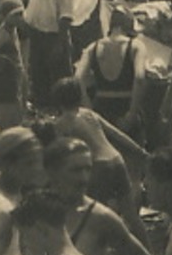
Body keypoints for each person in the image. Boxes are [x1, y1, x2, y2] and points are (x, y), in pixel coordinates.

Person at [42, 137, 157, 255]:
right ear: (52, 172)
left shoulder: (100, 218)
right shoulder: (37, 208)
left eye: (88, 169)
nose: (84, 178)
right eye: (75, 170)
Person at [46, 78, 146, 240]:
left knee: (92, 214)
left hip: (98, 166)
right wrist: (139, 151)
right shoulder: (90, 114)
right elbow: (117, 134)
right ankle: (148, 251)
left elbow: (60, 152)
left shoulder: (61, 124)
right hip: (116, 159)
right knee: (131, 215)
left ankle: (95, 248)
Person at [22, 0, 78, 108]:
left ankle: (59, 112)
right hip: (36, 34)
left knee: (58, 78)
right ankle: (42, 110)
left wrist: (60, 45)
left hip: (54, 37)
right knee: (38, 76)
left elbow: (66, 17)